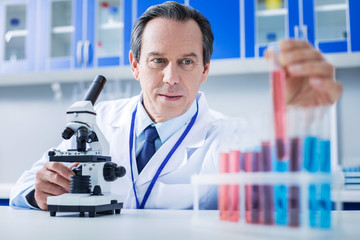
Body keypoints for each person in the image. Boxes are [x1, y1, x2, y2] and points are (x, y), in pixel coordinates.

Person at [10, 1, 342, 210]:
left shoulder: (223, 136)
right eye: (157, 60)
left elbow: (286, 186)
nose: (171, 77)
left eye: (186, 61)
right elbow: (24, 185)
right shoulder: (97, 121)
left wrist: (299, 120)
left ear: (205, 70)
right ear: (135, 65)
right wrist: (38, 193)